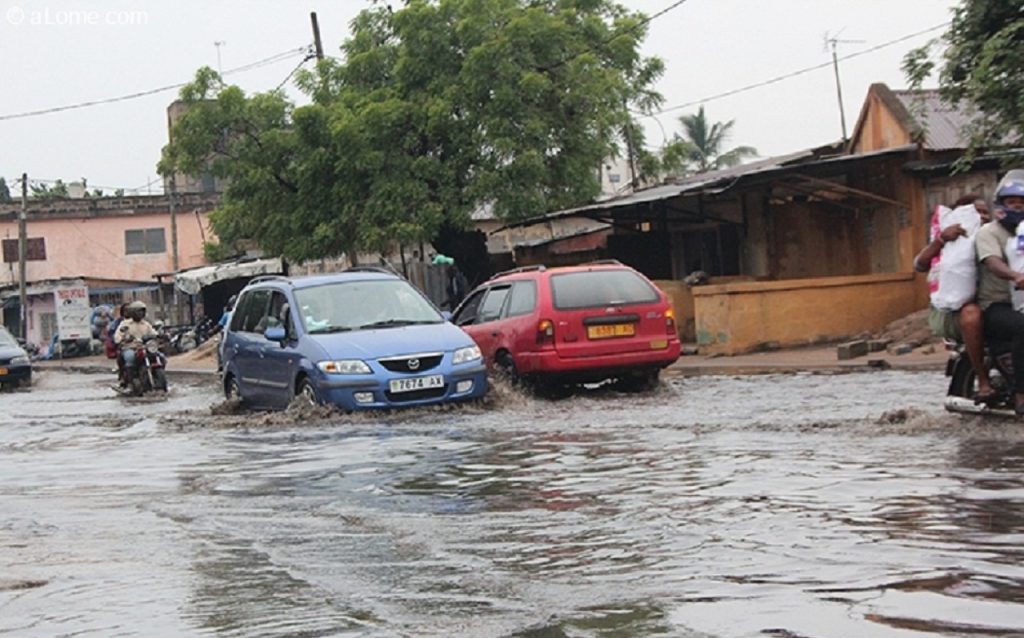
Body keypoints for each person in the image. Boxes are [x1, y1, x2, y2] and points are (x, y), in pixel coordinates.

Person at [914, 194, 994, 401]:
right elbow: (920, 265)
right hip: (953, 314)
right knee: (971, 313)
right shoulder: (951, 242)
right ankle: (983, 380)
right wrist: (942, 240)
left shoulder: (995, 236)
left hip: (993, 304)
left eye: (986, 213)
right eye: (978, 213)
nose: (983, 217)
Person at [975, 175, 1024, 415]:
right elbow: (993, 262)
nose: (1017, 205)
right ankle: (1021, 394)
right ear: (1001, 205)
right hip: (997, 305)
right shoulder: (989, 233)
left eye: (1021, 202)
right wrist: (1015, 276)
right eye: (1011, 201)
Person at [114, 300, 157, 385]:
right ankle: (130, 382)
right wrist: (123, 339)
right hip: (130, 348)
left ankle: (157, 377)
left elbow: (153, 333)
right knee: (130, 358)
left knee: (160, 357)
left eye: (142, 311)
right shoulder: (125, 324)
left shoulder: (146, 324)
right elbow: (117, 336)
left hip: (144, 348)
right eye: (139, 311)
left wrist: (160, 336)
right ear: (133, 312)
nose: (141, 313)